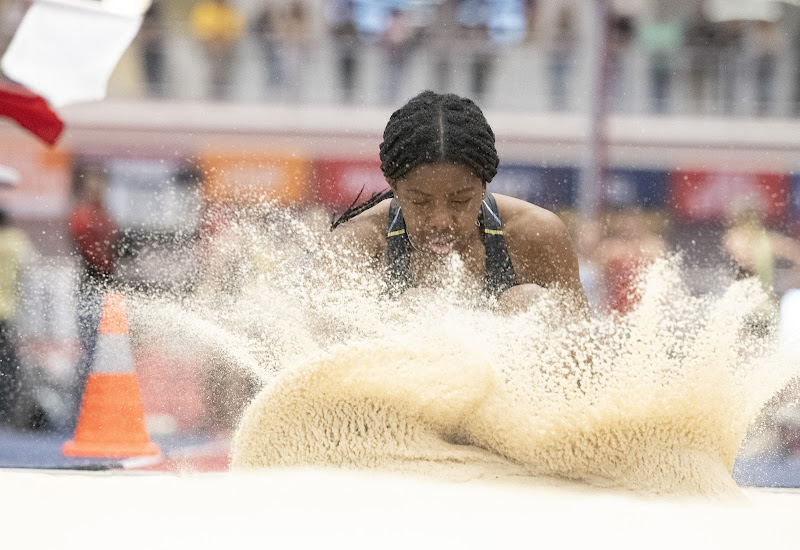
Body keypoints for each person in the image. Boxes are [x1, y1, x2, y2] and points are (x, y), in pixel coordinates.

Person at [329, 91, 588, 315]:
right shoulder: (357, 243)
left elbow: (583, 358)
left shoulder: (535, 234)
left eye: (460, 201)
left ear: (484, 185)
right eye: (421, 203)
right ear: (394, 187)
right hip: (400, 368)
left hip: (510, 369)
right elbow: (319, 359)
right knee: (418, 306)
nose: (441, 221)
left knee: (528, 302)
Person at [67, 167, 119, 425]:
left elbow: (113, 251)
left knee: (106, 353)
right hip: (90, 289)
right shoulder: (83, 216)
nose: (98, 190)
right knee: (89, 354)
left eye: (101, 184)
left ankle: (100, 411)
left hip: (105, 290)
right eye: (93, 185)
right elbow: (94, 254)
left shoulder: (106, 216)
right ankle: (80, 412)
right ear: (87, 188)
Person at [0, 207, 32, 425]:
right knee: (7, 366)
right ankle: (7, 411)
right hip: (7, 311)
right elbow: (29, 267)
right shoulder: (16, 242)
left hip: (7, 310)